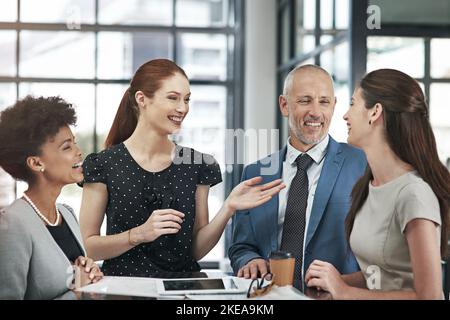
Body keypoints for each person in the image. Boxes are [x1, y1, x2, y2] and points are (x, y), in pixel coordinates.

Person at [79, 58, 285, 277]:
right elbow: (87, 246)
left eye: (186, 99)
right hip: (125, 290)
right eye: (173, 98)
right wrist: (138, 234)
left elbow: (195, 251)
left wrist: (228, 208)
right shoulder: (103, 164)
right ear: (142, 99)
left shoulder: (197, 164)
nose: (182, 108)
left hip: (183, 291)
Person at [304, 68, 450, 299]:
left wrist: (344, 291)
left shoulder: (413, 194)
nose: (345, 116)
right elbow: (382, 273)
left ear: (375, 112)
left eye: (353, 104)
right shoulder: (369, 185)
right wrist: (334, 281)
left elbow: (429, 296)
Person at [229, 64, 367, 290]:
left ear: (333, 106)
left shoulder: (361, 164)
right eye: (305, 101)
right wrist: (249, 260)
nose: (315, 112)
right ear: (284, 105)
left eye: (324, 102)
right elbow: (241, 246)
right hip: (269, 298)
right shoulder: (255, 173)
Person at [0, 96, 103, 300]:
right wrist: (77, 293)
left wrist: (89, 272)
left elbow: (75, 278)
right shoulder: (12, 224)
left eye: (74, 143)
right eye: (67, 147)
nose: (78, 151)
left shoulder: (66, 213)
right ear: (36, 163)